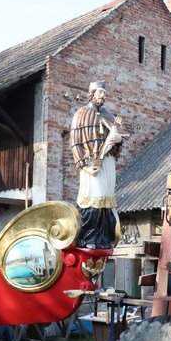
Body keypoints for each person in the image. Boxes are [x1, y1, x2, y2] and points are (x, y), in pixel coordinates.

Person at [69, 81, 126, 249]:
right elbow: (75, 142)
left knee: (107, 199)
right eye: (100, 92)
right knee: (94, 197)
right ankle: (89, 238)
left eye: (105, 93)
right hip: (92, 162)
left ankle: (104, 239)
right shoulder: (81, 114)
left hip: (108, 161)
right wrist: (84, 166)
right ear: (92, 93)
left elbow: (117, 140)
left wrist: (119, 140)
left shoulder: (109, 116)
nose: (103, 96)